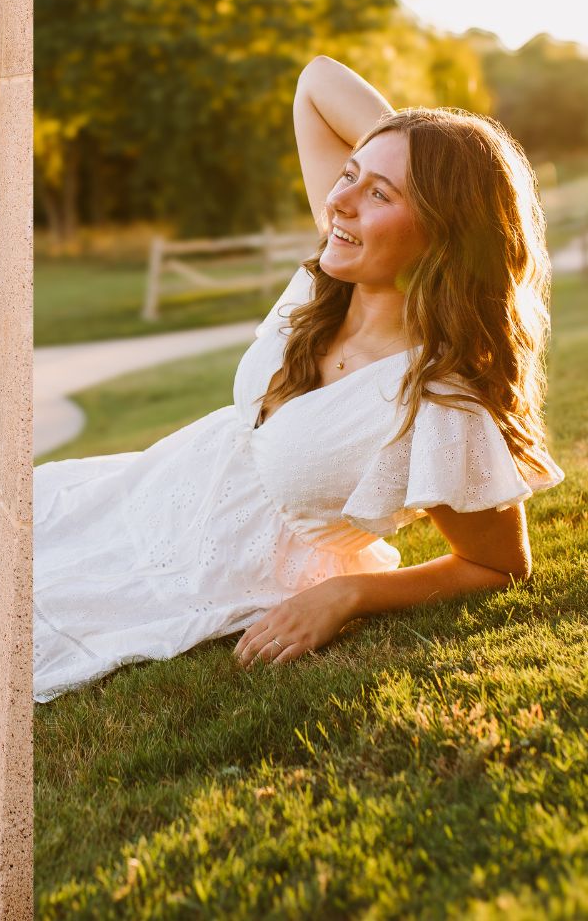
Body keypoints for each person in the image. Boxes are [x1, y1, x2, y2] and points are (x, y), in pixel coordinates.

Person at [33, 54, 564, 703]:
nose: (339, 201)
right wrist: (418, 150)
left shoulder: (438, 399)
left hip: (203, 580)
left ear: (446, 230)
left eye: (379, 194)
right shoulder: (334, 270)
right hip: (135, 496)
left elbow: (497, 565)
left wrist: (350, 591)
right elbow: (317, 82)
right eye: (350, 175)